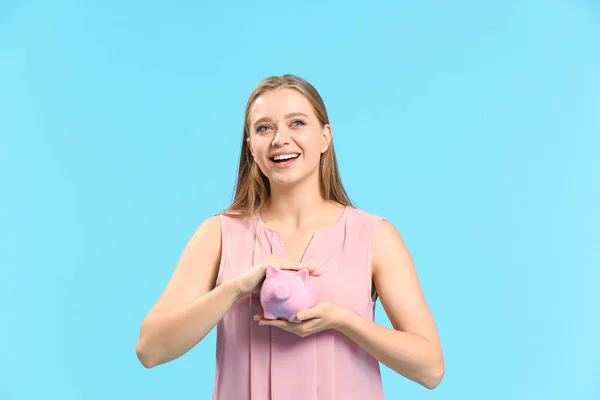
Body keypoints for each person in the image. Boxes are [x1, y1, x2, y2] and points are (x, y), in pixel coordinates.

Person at [135, 74, 445, 399]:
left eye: (297, 123)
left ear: (325, 137)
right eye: (264, 128)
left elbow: (430, 369)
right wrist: (236, 288)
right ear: (251, 147)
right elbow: (150, 349)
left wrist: (342, 321)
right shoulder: (218, 234)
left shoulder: (374, 236)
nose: (280, 139)